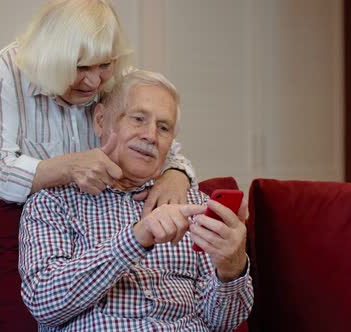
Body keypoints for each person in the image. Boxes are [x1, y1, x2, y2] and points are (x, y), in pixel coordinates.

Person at [19, 70, 253, 331]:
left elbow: (222, 323)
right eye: (139, 119)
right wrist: (135, 239)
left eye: (163, 127)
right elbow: (44, 302)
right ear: (100, 121)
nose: (150, 135)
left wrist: (231, 269)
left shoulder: (196, 205)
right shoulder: (54, 201)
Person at [0, 0, 195, 216]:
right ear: (52, 59)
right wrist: (69, 167)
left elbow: (164, 149)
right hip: (6, 215)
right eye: (80, 68)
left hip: (86, 222)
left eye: (103, 65)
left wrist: (176, 175)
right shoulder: (12, 69)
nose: (93, 82)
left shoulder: (118, 75)